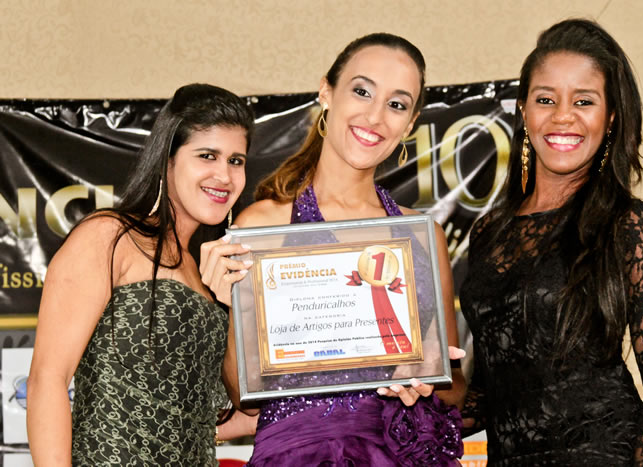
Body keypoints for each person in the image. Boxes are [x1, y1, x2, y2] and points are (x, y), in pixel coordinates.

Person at [205, 33, 466, 466]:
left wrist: (424, 378)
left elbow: (454, 389)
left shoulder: (422, 235)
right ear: (326, 92)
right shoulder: (262, 227)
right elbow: (243, 394)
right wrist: (227, 302)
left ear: (411, 122)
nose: (375, 116)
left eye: (396, 104)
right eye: (362, 91)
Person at [459, 19, 643, 465]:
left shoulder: (628, 224)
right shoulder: (489, 232)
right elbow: (494, 386)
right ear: (523, 111)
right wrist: (397, 418)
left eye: (583, 101)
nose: (562, 116)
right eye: (545, 99)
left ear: (611, 118)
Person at [26, 83, 256, 466]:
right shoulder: (111, 237)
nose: (224, 175)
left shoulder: (210, 276)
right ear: (168, 160)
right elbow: (47, 380)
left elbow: (230, 409)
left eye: (236, 160)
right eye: (207, 155)